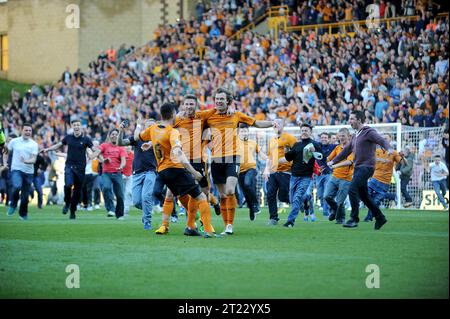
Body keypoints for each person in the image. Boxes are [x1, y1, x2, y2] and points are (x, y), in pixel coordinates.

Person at [139, 102, 218, 238]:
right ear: (181, 108)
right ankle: (166, 225)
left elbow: (215, 113)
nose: (188, 106)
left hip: (197, 160)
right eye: (186, 104)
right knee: (172, 194)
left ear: (195, 106)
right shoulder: (177, 121)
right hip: (178, 163)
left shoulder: (202, 117)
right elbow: (162, 135)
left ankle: (199, 221)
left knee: (202, 192)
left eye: (191, 104)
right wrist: (152, 143)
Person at [205, 87, 273, 235]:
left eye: (222, 99)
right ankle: (226, 226)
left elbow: (256, 123)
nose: (219, 101)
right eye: (217, 99)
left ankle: (230, 225)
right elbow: (198, 128)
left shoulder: (236, 115)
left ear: (228, 101)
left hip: (233, 157)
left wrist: (272, 123)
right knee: (222, 195)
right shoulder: (209, 116)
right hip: (216, 160)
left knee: (230, 191)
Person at [327, 111, 393, 230]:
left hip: (366, 167)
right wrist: (333, 161)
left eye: (352, 119)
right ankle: (380, 217)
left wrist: (389, 149)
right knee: (364, 196)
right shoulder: (355, 135)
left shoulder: (369, 132)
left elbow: (381, 140)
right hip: (358, 168)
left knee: (352, 189)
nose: (349, 121)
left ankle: (354, 219)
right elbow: (345, 151)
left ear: (360, 120)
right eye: (350, 118)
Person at [42, 118, 96, 219]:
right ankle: (67, 203)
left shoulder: (86, 139)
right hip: (69, 166)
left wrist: (97, 154)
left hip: (80, 169)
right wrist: (48, 149)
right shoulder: (68, 138)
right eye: (74, 125)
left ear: (81, 127)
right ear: (72, 127)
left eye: (78, 125)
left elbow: (95, 150)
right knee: (67, 185)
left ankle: (72, 210)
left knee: (77, 192)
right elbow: (58, 145)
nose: (76, 127)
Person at [277, 123, 322, 227]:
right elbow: (288, 158)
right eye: (302, 130)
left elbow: (321, 157)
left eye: (306, 130)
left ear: (310, 132)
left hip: (306, 177)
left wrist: (315, 152)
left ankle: (290, 221)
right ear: (300, 132)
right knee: (293, 199)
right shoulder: (297, 145)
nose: (304, 132)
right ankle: (305, 201)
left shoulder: (315, 144)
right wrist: (283, 155)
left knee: (297, 197)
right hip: (294, 176)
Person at [118, 118, 157, 231]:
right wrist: (121, 130)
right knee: (136, 202)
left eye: (152, 126)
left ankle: (147, 221)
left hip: (151, 171)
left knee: (146, 196)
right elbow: (120, 142)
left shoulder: (158, 139)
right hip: (137, 173)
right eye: (148, 126)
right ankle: (147, 210)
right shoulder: (137, 138)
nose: (150, 128)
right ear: (144, 127)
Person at [263, 118, 297, 226]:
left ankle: (303, 200)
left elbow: (297, 152)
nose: (275, 125)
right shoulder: (271, 140)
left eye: (278, 123)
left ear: (283, 125)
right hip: (273, 171)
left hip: (286, 171)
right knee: (270, 194)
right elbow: (269, 156)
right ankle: (273, 218)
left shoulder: (290, 138)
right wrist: (266, 169)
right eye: (274, 124)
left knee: (283, 196)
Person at [363, 134, 403, 222]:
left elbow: (403, 162)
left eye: (386, 138)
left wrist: (402, 156)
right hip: (374, 178)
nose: (384, 140)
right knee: (365, 195)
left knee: (376, 201)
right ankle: (391, 196)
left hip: (385, 181)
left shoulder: (394, 152)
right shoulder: (376, 151)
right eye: (383, 138)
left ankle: (369, 217)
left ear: (390, 140)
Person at [6, 123, 39, 220]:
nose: (28, 132)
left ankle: (23, 214)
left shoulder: (34, 144)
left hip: (29, 172)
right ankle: (13, 204)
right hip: (16, 169)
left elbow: (33, 159)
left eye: (30, 131)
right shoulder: (14, 141)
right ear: (21, 130)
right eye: (26, 130)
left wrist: (26, 161)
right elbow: (6, 151)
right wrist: (4, 162)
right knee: (16, 186)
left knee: (25, 195)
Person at [237, 123, 267, 221]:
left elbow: (261, 154)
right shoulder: (234, 142)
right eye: (242, 131)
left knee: (247, 184)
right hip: (239, 171)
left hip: (251, 168)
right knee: (246, 193)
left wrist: (269, 159)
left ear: (248, 132)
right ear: (238, 132)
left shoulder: (253, 142)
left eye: (245, 131)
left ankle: (255, 204)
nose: (244, 133)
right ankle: (251, 208)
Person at [324, 127, 354, 224]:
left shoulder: (352, 148)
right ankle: (335, 209)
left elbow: (349, 161)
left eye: (343, 136)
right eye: (340, 136)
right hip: (334, 176)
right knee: (326, 196)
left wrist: (334, 165)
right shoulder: (337, 147)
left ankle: (340, 219)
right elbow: (328, 159)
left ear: (348, 136)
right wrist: (318, 157)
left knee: (340, 201)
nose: (341, 138)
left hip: (345, 179)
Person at [98, 129, 127, 220]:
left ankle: (120, 214)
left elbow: (123, 160)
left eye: (116, 134)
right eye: (113, 134)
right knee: (106, 187)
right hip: (106, 173)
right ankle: (110, 209)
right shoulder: (104, 145)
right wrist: (103, 160)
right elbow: (98, 154)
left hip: (117, 173)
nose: (114, 136)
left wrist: (121, 166)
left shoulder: (121, 147)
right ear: (109, 136)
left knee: (120, 195)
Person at [315, 132, 336, 217]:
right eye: (322, 137)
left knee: (326, 193)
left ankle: (326, 213)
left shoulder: (332, 147)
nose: (324, 139)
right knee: (320, 194)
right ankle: (331, 208)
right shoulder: (317, 146)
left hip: (329, 173)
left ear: (329, 139)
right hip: (319, 174)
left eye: (325, 137)